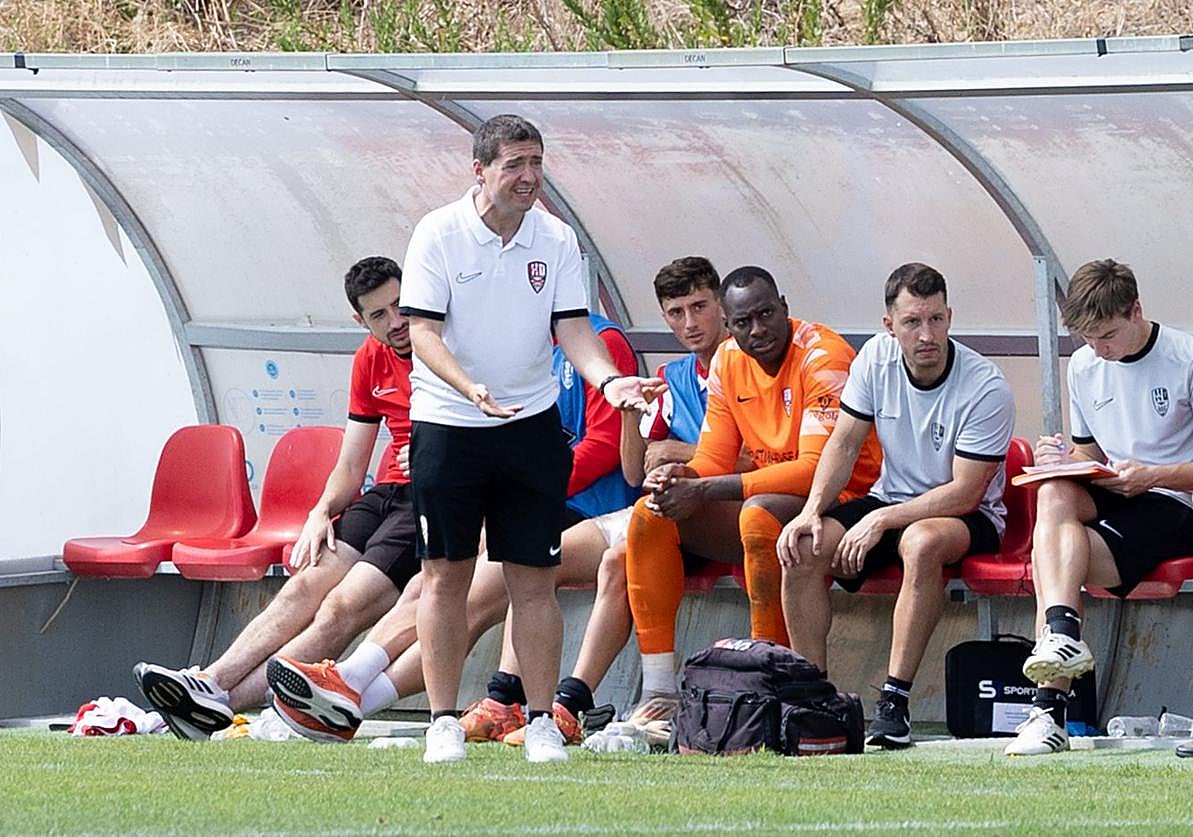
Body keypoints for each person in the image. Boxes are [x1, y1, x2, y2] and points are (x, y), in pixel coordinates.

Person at [396, 113, 659, 764]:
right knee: (445, 577)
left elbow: (573, 329)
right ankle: (441, 720)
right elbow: (423, 334)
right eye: (513, 164)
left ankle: (541, 719)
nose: (528, 177)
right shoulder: (437, 233)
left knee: (532, 578)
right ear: (479, 169)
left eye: (535, 163)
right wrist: (467, 387)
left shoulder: (555, 238)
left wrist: (610, 383)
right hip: (449, 425)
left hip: (529, 427)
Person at [265, 308, 639, 744]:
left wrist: (522, 484)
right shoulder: (513, 341)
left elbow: (605, 444)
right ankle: (348, 685)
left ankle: (351, 699)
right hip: (531, 498)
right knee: (433, 582)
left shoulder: (596, 342)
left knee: (474, 590)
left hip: (580, 506)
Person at [133, 256, 420, 740]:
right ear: (360, 321)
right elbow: (351, 466)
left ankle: (222, 698)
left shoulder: (447, 342)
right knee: (303, 586)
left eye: (400, 307)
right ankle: (209, 685)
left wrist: (440, 452)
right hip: (386, 493)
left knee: (341, 606)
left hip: (431, 499)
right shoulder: (369, 359)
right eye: (379, 315)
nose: (396, 323)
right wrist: (320, 511)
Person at [463, 255, 735, 746]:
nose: (690, 323)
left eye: (699, 307)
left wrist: (682, 453)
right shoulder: (673, 377)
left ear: (720, 305)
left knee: (619, 558)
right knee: (530, 558)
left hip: (712, 516)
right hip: (655, 509)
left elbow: (763, 458)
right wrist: (631, 412)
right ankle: (505, 698)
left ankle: (570, 705)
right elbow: (636, 469)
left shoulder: (746, 368)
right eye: (676, 313)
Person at [623, 265, 883, 731]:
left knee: (758, 515)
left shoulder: (823, 354)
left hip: (843, 499)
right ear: (730, 321)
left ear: (784, 306)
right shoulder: (726, 360)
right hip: (768, 495)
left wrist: (705, 487)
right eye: (744, 322)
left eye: (767, 314)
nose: (757, 329)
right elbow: (713, 459)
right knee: (650, 513)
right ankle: (659, 693)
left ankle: (767, 682)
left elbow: (813, 471)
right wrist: (682, 476)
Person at [777, 262, 1015, 749]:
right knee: (803, 547)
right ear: (890, 326)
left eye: (935, 320)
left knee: (922, 541)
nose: (925, 334)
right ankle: (815, 699)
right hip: (891, 503)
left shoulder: (986, 386)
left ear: (950, 316)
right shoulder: (873, 360)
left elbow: (965, 493)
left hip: (966, 516)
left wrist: (879, 518)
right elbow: (843, 444)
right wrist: (810, 512)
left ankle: (894, 702)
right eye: (912, 322)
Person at [1003, 259, 1193, 756]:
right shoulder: (1086, 366)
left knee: (1056, 559)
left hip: (1173, 499)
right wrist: (1062, 460)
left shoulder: (1185, 356)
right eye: (1088, 339)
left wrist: (1153, 475)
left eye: (1107, 335)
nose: (1098, 349)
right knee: (1052, 492)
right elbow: (1090, 456)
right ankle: (1063, 631)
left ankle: (1048, 711)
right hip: (1117, 490)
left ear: (1137, 310)